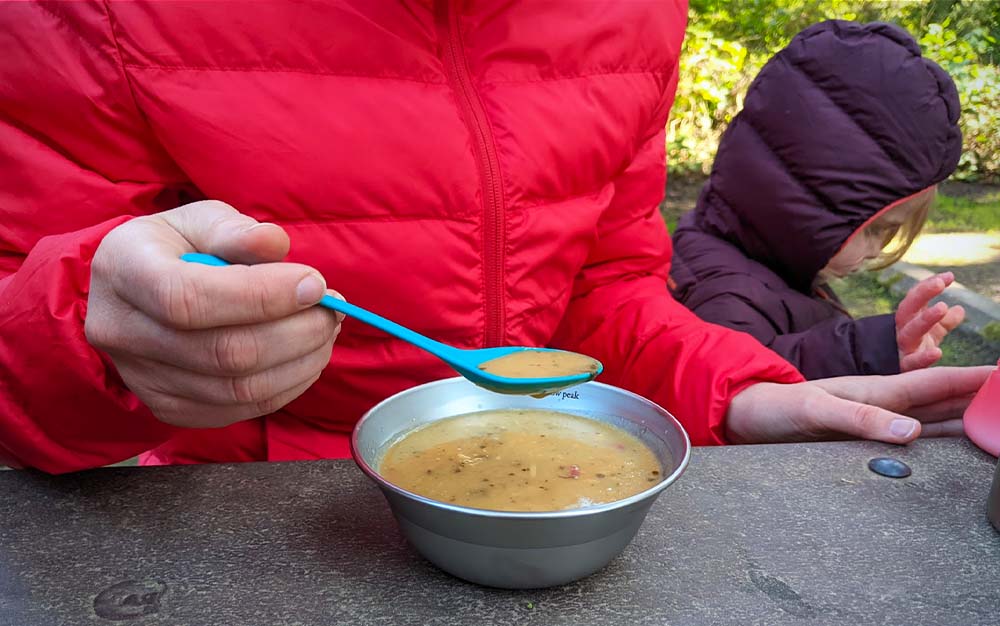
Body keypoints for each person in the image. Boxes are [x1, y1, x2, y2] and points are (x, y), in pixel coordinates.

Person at [0, 3, 990, 474]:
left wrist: (748, 391)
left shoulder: (634, 16)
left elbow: (607, 289)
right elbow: (21, 348)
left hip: (541, 498)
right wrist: (94, 340)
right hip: (233, 535)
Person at [670, 20, 966, 379]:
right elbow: (747, 388)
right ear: (802, 207)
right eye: (876, 229)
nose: (876, 250)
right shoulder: (725, 295)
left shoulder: (764, 258)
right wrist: (864, 353)